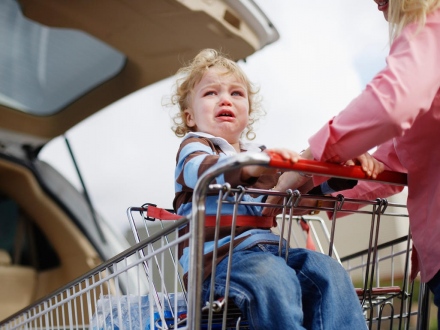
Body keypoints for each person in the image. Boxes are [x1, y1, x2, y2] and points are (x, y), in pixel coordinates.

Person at [268, 0, 440, 325]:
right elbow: (396, 164)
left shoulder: (431, 24)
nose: (375, 3)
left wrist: (310, 157)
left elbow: (392, 103)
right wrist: (322, 194)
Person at [169, 48, 369, 329]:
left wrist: (336, 173)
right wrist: (248, 168)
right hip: (219, 264)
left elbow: (293, 195)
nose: (225, 98)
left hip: (272, 252)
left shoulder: (261, 154)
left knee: (328, 271)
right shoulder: (195, 147)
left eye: (236, 94)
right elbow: (199, 172)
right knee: (273, 276)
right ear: (190, 117)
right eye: (211, 93)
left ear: (248, 113)